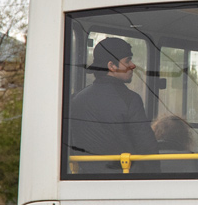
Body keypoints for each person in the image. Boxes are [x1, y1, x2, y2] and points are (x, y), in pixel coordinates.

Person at [67, 37, 160, 173]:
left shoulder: (76, 99)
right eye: (127, 61)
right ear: (111, 66)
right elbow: (147, 147)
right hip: (125, 181)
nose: (133, 65)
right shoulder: (130, 100)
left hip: (86, 180)